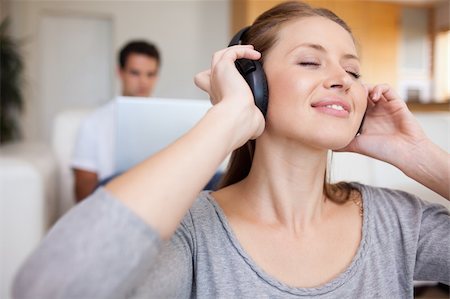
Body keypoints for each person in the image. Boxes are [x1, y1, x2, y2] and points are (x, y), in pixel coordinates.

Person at [13, 1, 449, 298]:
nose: (342, 78)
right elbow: (52, 287)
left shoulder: (397, 221)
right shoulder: (196, 233)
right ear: (252, 83)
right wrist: (226, 119)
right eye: (310, 61)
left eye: (352, 69)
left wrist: (418, 155)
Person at [71, 40, 161, 202]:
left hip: (162, 199)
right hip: (114, 202)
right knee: (119, 179)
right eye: (135, 73)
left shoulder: (167, 119)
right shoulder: (93, 123)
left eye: (150, 74)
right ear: (120, 73)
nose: (143, 82)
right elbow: (84, 191)